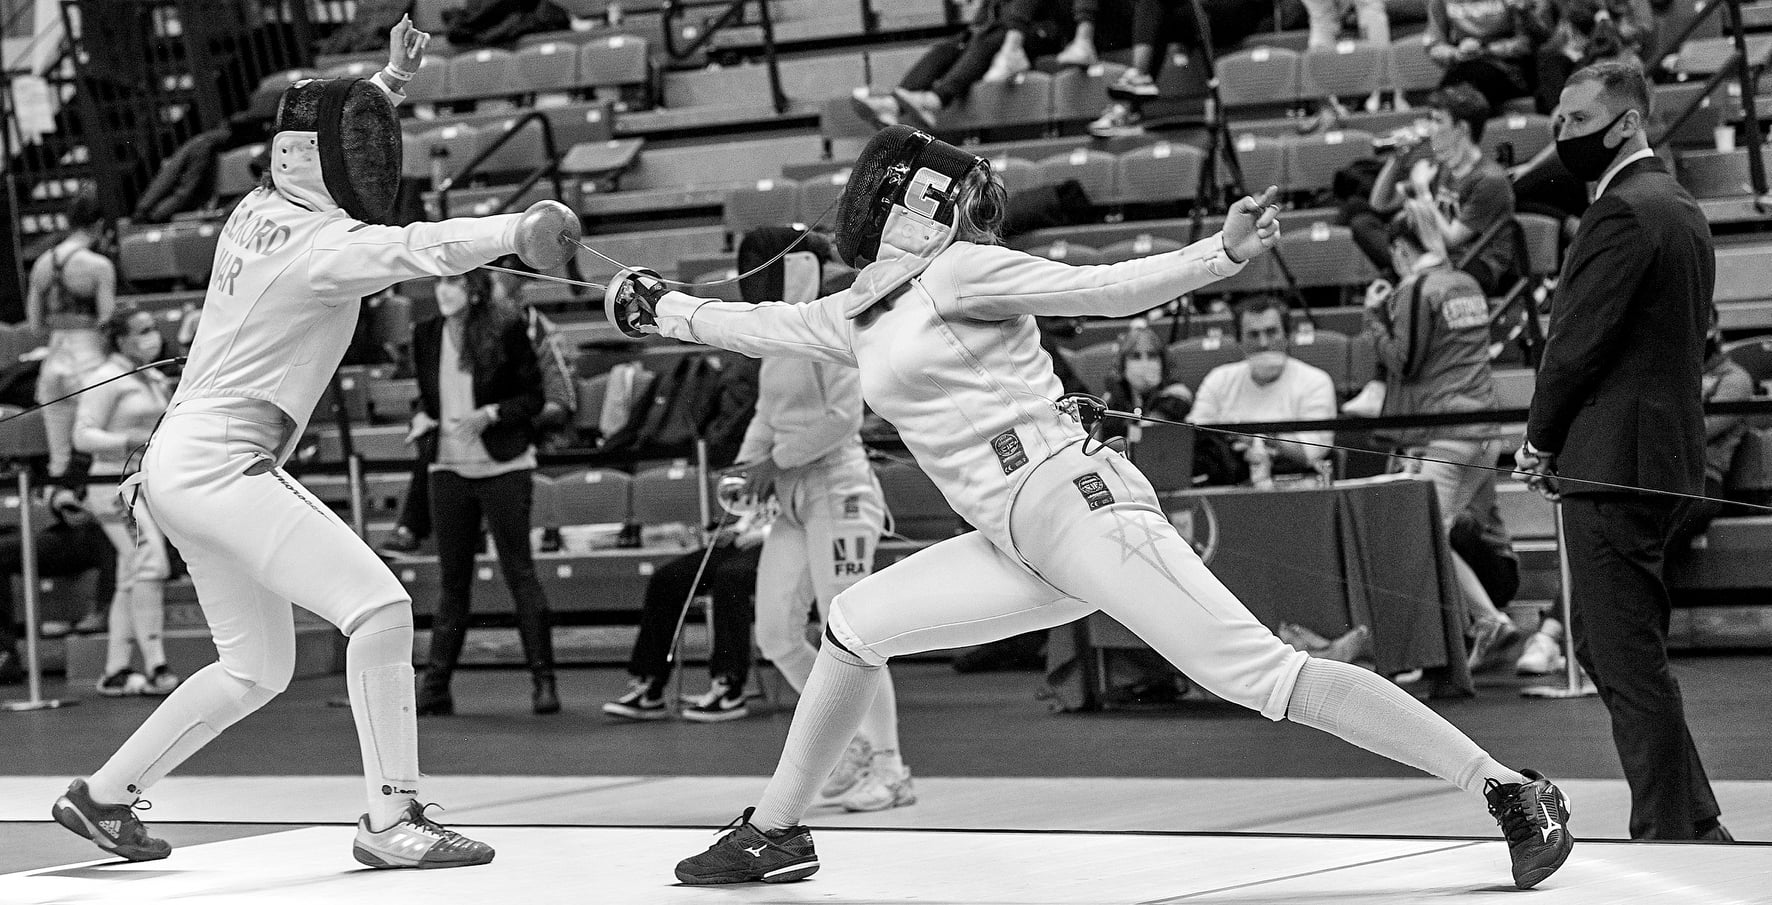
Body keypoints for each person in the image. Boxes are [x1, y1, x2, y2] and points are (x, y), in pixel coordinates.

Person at [609, 123, 1573, 889]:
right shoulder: (857, 310)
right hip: (1012, 540)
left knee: (1262, 676)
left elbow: (1104, 288)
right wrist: (651, 306)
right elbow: (745, 323)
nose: (982, 212)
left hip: (1081, 506)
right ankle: (777, 831)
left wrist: (1217, 255)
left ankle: (1509, 790)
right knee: (857, 621)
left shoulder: (962, 270)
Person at [50, 15, 580, 868]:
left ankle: (102, 796)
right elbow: (420, 246)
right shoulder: (324, 247)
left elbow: (322, 141)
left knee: (254, 668)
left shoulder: (259, 205)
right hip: (222, 463)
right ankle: (391, 820)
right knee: (379, 608)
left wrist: (387, 84)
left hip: (176, 463)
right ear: (322, 162)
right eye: (360, 146)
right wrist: (516, 230)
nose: (372, 160)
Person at [1515, 61, 1727, 841]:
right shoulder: (1675, 204)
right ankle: (1695, 819)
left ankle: (1675, 832)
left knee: (1625, 655)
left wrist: (1539, 439)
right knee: (1607, 645)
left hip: (1615, 463)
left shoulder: (1622, 212)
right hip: (1654, 458)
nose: (1560, 136)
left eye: (1575, 121)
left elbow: (1576, 346)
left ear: (1628, 122)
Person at [726, 228, 905, 812]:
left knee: (854, 634)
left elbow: (843, 416)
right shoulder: (774, 337)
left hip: (840, 490)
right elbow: (767, 412)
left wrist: (770, 465)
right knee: (776, 632)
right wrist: (744, 467)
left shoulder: (831, 324)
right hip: (794, 498)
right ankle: (851, 746)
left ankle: (890, 767)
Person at [1360, 221, 1521, 672]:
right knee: (1442, 531)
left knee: (1426, 536)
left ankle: (1487, 622)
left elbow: (1404, 362)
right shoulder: (1467, 283)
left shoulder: (1418, 288)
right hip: (1486, 431)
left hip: (1446, 433)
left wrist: (1374, 319)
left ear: (1399, 250)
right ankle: (1476, 626)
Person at [410, 269, 559, 717]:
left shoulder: (507, 327)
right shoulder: (424, 334)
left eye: (452, 284)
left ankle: (544, 682)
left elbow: (533, 397)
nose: (443, 291)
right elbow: (431, 397)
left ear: (474, 291)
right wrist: (422, 419)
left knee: (520, 573)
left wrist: (492, 413)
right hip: (448, 467)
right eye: (439, 283)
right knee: (452, 582)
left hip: (504, 465)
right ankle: (436, 687)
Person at [74, 308, 179, 696]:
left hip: (145, 483)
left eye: (154, 328)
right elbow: (82, 436)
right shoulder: (105, 379)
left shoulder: (150, 376)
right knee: (150, 561)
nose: (152, 336)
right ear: (120, 339)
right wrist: (128, 441)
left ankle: (116, 671)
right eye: (142, 331)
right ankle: (156, 666)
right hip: (112, 485)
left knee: (129, 574)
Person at [602, 518, 766, 722]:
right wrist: (737, 529)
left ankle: (729, 689)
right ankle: (651, 689)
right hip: (740, 543)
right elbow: (757, 511)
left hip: (775, 545)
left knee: (729, 579)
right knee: (666, 579)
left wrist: (761, 534)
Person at [1364, 85, 1521, 296]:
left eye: (1438, 121)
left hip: (1476, 266)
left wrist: (1422, 191)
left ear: (1462, 129)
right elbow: (1379, 204)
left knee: (1402, 270)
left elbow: (1451, 239)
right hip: (1439, 256)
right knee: (1362, 222)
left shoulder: (1490, 179)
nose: (1430, 128)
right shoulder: (1441, 167)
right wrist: (1397, 159)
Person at [851, 0, 1071, 131]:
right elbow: (982, 21)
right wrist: (967, 39)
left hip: (1041, 33)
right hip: (999, 32)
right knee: (950, 46)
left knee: (986, 38)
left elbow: (1019, 17)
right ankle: (895, 104)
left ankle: (935, 99)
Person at [1190, 296, 1337, 488]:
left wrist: (1260, 440)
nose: (1263, 342)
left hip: (1296, 484)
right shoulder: (1218, 380)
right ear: (1239, 341)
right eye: (1253, 334)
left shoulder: (1316, 381)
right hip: (1230, 483)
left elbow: (1313, 451)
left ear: (1287, 336)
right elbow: (1195, 437)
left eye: (1271, 332)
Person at [25, 191, 116, 479]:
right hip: (88, 357)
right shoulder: (98, 266)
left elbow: (34, 323)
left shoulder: (41, 263)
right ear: (99, 225)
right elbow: (107, 321)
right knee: (96, 445)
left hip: (53, 359)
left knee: (59, 458)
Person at [0, 486, 117, 684]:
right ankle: (4, 652)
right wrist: (60, 500)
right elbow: (52, 482)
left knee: (112, 535)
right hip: (69, 529)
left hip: (112, 523)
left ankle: (104, 609)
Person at [1424, 0, 1540, 110]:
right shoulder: (1441, 2)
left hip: (1509, 70)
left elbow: (1528, 42)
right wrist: (1457, 53)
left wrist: (1486, 49)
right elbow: (1434, 46)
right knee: (1447, 95)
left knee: (1472, 85)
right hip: (1464, 65)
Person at [1097, 319, 1193, 444]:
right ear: (1123, 363)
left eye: (1152, 355)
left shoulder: (1178, 396)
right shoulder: (1110, 400)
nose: (1145, 363)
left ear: (1162, 361)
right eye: (1136, 356)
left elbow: (1147, 433)